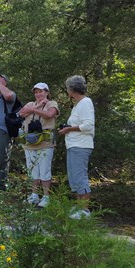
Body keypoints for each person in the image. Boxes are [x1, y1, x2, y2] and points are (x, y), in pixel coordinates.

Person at [58, 75, 95, 219]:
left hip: (81, 145)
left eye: (67, 88)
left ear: (73, 89)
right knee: (74, 177)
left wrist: (69, 129)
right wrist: (68, 128)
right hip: (74, 145)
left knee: (80, 177)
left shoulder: (86, 102)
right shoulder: (78, 105)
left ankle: (84, 210)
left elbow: (88, 126)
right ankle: (79, 207)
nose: (67, 90)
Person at [19, 82, 60, 207]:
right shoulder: (30, 104)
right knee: (32, 170)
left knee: (44, 170)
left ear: (47, 92)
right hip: (29, 142)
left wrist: (32, 111)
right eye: (36, 92)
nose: (38, 94)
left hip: (45, 143)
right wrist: (34, 108)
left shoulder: (51, 104)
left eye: (41, 91)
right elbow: (21, 113)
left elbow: (50, 114)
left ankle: (46, 196)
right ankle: (34, 195)